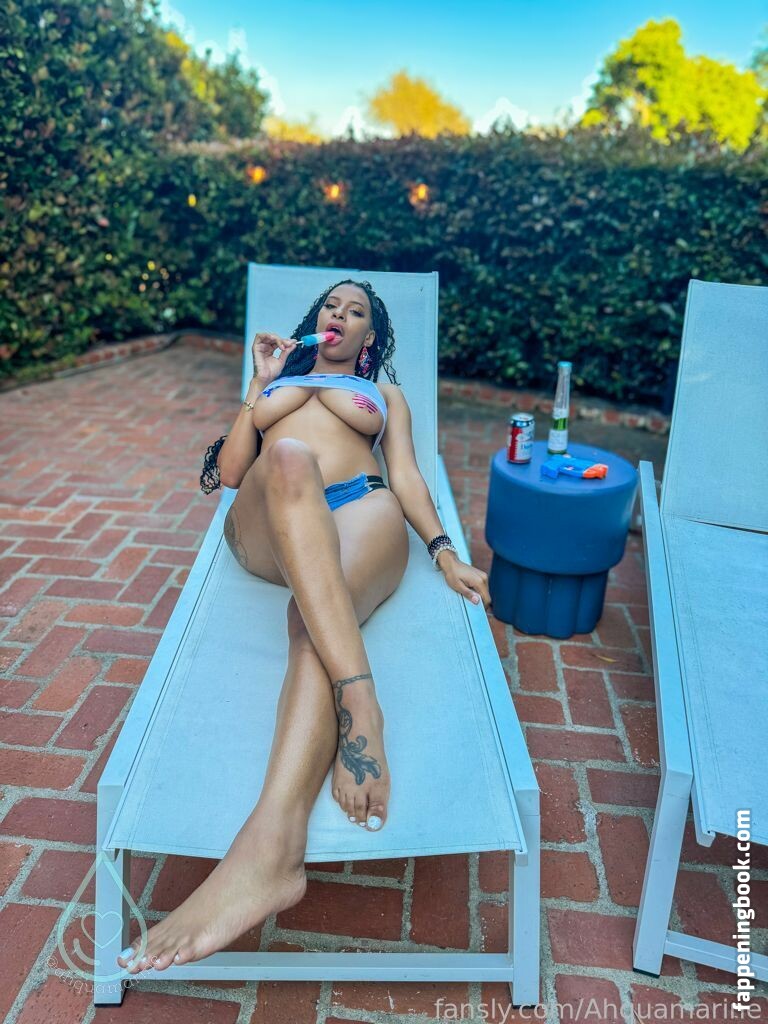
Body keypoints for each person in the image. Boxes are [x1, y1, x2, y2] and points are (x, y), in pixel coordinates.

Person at [116, 278, 491, 975]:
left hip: (360, 509)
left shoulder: (386, 396)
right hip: (269, 515)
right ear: (317, 320)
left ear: (370, 337)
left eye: (356, 311)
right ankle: (362, 701)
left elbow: (406, 477)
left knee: (309, 620)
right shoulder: (278, 381)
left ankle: (271, 849)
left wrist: (444, 552)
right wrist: (260, 384)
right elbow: (233, 471)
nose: (339, 314)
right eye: (331, 306)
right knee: (288, 456)